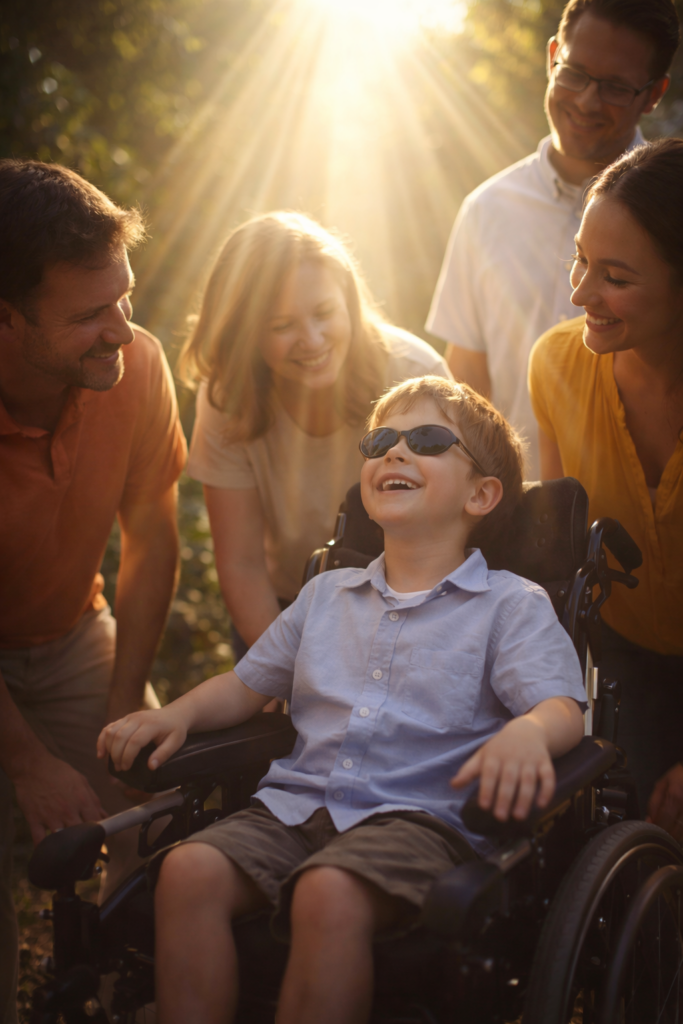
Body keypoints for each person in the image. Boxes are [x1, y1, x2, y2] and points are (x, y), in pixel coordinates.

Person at [99, 375, 586, 1024]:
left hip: (420, 820)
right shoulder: (326, 596)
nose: (393, 452)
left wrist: (528, 732)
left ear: (481, 494)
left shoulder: (509, 606)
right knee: (188, 871)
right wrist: (174, 714)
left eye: (427, 439)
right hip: (297, 807)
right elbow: (245, 687)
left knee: (328, 892)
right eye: (381, 439)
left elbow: (561, 706)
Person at [0, 160, 186, 1024]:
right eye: (86, 316)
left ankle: (120, 1001)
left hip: (74, 633)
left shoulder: (135, 366)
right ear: (7, 321)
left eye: (124, 298)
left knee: (154, 810)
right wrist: (29, 762)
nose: (120, 330)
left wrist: (122, 719)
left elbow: (151, 542)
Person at [180, 211, 452, 663]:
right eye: (281, 326)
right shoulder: (228, 397)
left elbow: (461, 530)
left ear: (348, 299)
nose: (312, 340)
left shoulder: (413, 375)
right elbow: (241, 562)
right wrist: (284, 671)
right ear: (246, 333)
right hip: (283, 612)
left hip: (415, 608)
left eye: (324, 313)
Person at [426, 0, 679, 478]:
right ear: (551, 56)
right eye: (575, 72)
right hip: (516, 514)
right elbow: (466, 387)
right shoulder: (485, 211)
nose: (586, 100)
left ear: (653, 94)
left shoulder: (676, 213)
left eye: (615, 87)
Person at [528, 138, 683, 841]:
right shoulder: (556, 366)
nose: (579, 293)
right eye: (579, 261)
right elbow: (557, 559)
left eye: (614, 276)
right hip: (623, 662)